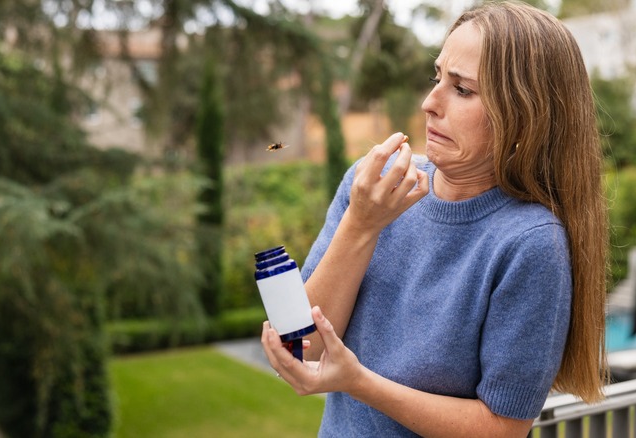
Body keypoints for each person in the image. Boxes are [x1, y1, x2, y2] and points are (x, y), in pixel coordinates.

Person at [261, 2, 609, 436]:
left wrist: (358, 382)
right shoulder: (373, 189)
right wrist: (362, 223)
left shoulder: (529, 243)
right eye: (437, 78)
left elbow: (502, 429)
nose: (429, 103)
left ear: (524, 117)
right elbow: (304, 348)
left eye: (462, 90)